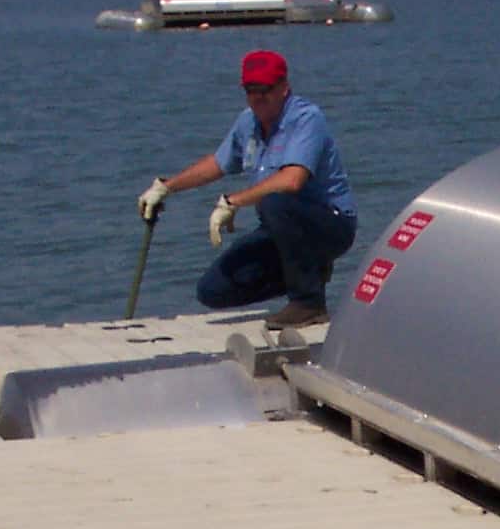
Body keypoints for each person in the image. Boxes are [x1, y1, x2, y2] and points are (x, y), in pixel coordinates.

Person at [136, 49, 357, 332]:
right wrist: (166, 188)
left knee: (275, 201)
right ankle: (310, 272)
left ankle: (308, 303)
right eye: (250, 90)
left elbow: (292, 180)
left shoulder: (306, 118)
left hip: (330, 224)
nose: (257, 97)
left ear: (283, 87)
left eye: (265, 89)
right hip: (283, 232)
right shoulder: (247, 122)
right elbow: (218, 163)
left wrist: (232, 202)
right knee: (213, 290)